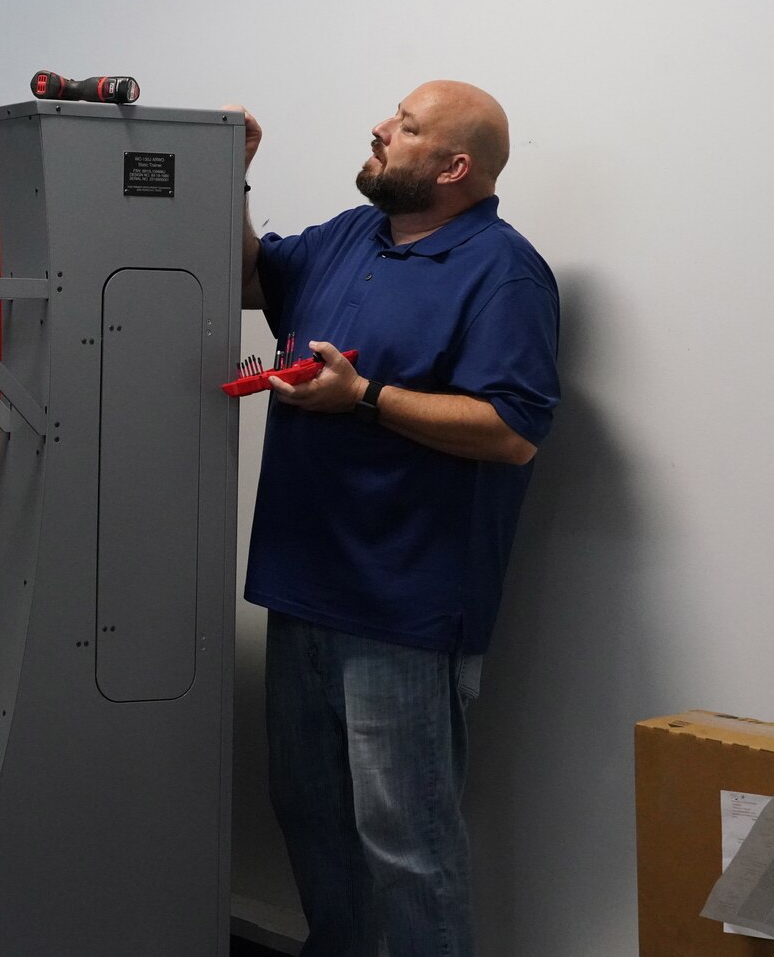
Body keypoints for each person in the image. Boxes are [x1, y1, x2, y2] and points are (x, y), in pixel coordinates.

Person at [236, 81, 559, 957]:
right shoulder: (352, 235)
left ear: (455, 167)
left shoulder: (504, 270)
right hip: (303, 587)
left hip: (406, 611)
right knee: (310, 818)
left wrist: (366, 398)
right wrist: (229, 179)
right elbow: (246, 275)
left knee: (407, 847)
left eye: (407, 127)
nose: (380, 128)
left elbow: (512, 429)